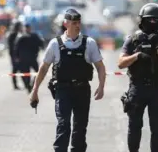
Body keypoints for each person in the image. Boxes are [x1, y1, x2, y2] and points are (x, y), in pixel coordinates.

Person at [29, 8, 106, 152]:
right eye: (74, 23)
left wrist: (101, 86)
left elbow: (100, 66)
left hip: (82, 90)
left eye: (79, 22)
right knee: (63, 125)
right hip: (63, 90)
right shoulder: (54, 44)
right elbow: (44, 68)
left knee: (80, 127)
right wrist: (35, 90)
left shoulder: (89, 43)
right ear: (66, 24)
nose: (77, 25)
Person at [118, 3, 158, 152]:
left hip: (157, 89)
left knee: (157, 129)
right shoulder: (133, 40)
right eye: (150, 20)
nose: (153, 23)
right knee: (134, 127)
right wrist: (136, 56)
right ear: (143, 21)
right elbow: (121, 63)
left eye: (156, 20)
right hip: (137, 88)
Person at [13, 23, 44, 92]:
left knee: (37, 72)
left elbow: (40, 43)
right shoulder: (21, 36)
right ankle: (28, 86)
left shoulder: (34, 36)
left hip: (33, 57)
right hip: (24, 59)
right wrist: (16, 57)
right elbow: (16, 48)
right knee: (26, 74)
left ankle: (32, 84)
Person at [7, 21, 22, 90]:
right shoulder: (12, 35)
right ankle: (15, 85)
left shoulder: (20, 34)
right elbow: (11, 47)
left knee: (22, 70)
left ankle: (26, 83)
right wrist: (14, 56)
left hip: (20, 55)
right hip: (14, 55)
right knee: (15, 70)